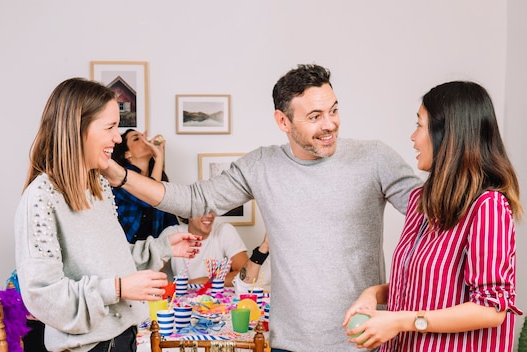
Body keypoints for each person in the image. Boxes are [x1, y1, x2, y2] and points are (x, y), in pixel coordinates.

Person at [101, 64, 423, 351]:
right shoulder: (261, 166)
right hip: (287, 344)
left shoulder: (374, 159)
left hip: (362, 342)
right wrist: (118, 175)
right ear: (282, 121)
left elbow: (437, 213)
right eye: (315, 116)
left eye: (334, 110)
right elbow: (194, 199)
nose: (330, 124)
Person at [14, 77, 202, 352]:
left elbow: (110, 260)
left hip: (123, 336)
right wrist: (116, 289)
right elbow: (43, 296)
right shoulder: (41, 197)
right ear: (78, 129)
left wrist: (161, 247)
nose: (117, 137)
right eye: (110, 127)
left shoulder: (98, 185)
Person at [343, 81, 523, 351]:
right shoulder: (421, 202)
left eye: (419, 125)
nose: (412, 137)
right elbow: (426, 286)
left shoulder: (488, 207)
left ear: (448, 134)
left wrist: (402, 321)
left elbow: (490, 309)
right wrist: (374, 294)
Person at [112, 129, 179, 243]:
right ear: (127, 154)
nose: (145, 140)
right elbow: (150, 198)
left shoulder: (161, 180)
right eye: (137, 138)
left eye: (144, 137)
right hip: (126, 250)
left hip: (152, 254)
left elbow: (171, 222)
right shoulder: (121, 178)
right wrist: (159, 159)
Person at [162, 213, 249, 286]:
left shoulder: (224, 231)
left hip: (219, 303)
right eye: (202, 210)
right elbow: (150, 272)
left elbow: (246, 275)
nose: (210, 215)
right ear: (187, 210)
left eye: (212, 209)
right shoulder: (172, 234)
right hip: (182, 303)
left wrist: (200, 282)